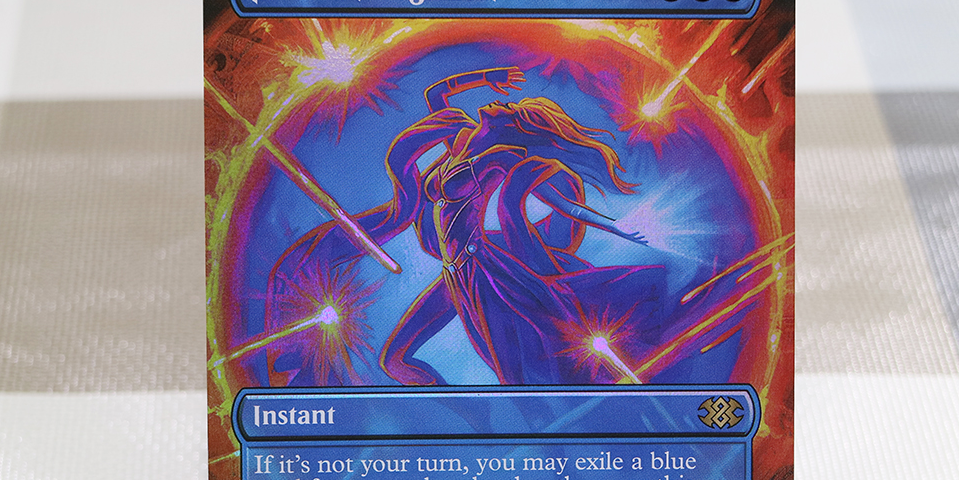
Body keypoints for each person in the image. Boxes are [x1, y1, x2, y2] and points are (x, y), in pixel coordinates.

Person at [265, 67, 663, 386]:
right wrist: (485, 77)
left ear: (509, 127)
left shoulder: (502, 159)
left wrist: (615, 228)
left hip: (481, 270)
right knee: (395, 361)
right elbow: (436, 94)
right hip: (452, 273)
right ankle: (465, 411)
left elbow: (564, 205)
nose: (500, 102)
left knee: (514, 362)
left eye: (510, 109)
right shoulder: (457, 136)